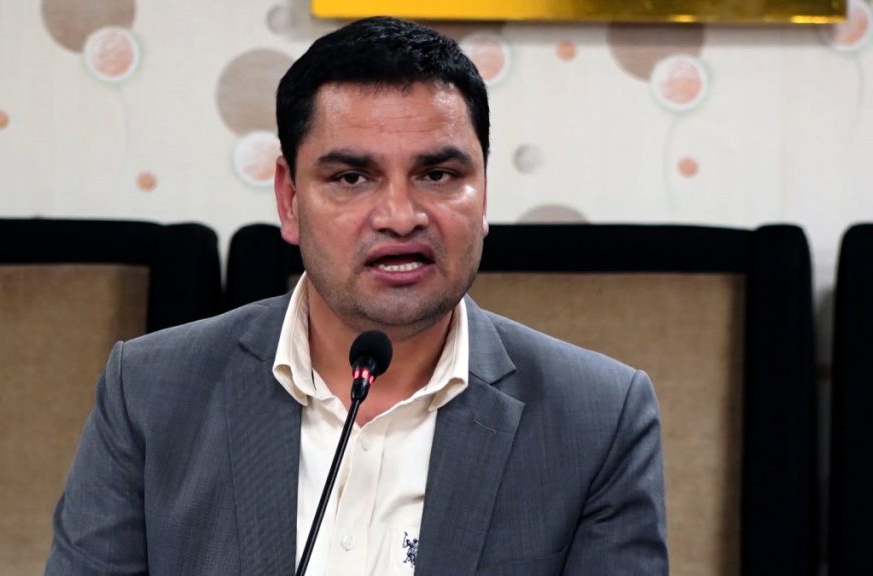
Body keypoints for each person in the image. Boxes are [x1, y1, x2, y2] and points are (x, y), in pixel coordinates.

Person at [44, 16, 667, 576]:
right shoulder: (149, 394)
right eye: (351, 177)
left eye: (438, 174)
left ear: (484, 193)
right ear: (289, 200)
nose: (399, 216)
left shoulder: (598, 419)